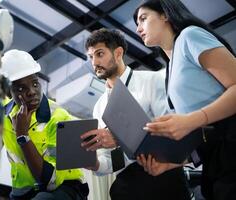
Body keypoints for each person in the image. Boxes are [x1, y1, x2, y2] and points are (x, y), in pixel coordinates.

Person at [0, 49, 88, 200]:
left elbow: (50, 180)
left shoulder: (59, 117)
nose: (32, 92)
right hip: (24, 192)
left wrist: (22, 135)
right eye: (21, 88)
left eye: (35, 83)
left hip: (64, 189)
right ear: (8, 92)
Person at [133, 0, 236, 200]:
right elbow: (200, 134)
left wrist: (193, 120)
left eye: (143, 19)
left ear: (165, 15)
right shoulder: (169, 70)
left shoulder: (190, 36)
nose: (138, 28)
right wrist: (174, 161)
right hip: (215, 162)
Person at [80, 28, 191, 200]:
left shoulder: (152, 81)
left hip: (162, 175)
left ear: (118, 53)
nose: (94, 62)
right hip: (126, 184)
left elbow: (169, 132)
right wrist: (94, 164)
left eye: (99, 54)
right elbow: (113, 162)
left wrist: (119, 137)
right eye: (91, 57)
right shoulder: (99, 106)